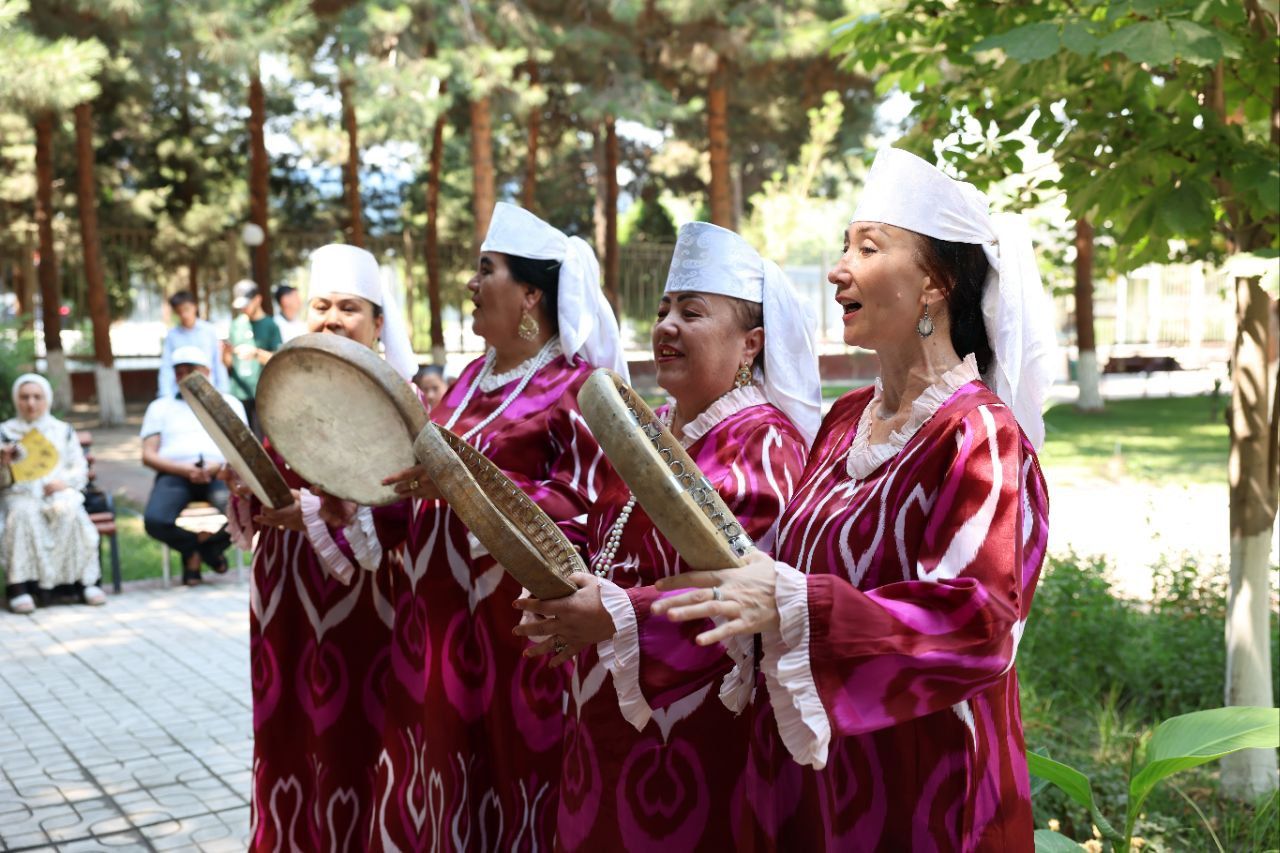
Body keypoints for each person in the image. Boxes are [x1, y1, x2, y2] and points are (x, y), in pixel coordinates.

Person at [653, 148, 1057, 849]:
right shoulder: (844, 423)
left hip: (926, 787)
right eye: (844, 245)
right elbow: (776, 565)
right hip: (810, 777)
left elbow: (978, 621)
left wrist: (798, 603)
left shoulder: (980, 434)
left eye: (868, 247)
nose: (839, 267)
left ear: (934, 283)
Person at [511, 222, 821, 849]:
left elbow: (741, 593)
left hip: (699, 731)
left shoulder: (763, 441)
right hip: (614, 714)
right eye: (662, 310)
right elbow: (612, 536)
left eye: (692, 312)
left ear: (750, 344)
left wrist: (617, 615)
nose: (666, 325)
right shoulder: (654, 425)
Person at [377, 201, 628, 850]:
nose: (470, 283)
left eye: (485, 269)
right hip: (435, 624)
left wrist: (469, 487)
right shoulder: (466, 380)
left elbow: (592, 506)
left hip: (515, 635)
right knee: (439, 775)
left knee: (519, 781)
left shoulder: (577, 387)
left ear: (530, 296)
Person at [227, 243, 420, 852]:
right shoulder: (289, 391)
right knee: (286, 731)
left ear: (379, 322)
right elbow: (271, 480)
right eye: (320, 306)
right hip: (284, 596)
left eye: (348, 307)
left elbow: (400, 509)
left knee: (353, 739)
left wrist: (307, 511)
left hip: (366, 602)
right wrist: (247, 488)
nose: (331, 318)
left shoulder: (406, 405)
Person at [1, 374, 106, 613]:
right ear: (16, 400)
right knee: (22, 514)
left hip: (58, 491)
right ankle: (21, 588)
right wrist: (3, 464)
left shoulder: (62, 430)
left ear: (46, 399)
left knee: (69, 511)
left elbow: (79, 466)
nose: (31, 403)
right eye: (25, 397)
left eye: (37, 397)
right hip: (19, 495)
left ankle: (84, 583)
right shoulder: (5, 432)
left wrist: (63, 482)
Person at [141, 346, 244, 585]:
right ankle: (198, 550)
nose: (185, 376)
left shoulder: (229, 404)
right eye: (179, 371)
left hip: (220, 474)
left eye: (191, 370)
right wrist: (186, 470)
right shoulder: (160, 407)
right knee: (155, 520)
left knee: (242, 513)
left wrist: (216, 467)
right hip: (175, 474)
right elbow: (148, 455)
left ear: (207, 371)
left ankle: (204, 551)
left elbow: (243, 451)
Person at [224, 279, 283, 434]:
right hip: (239, 392)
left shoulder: (271, 325)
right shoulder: (236, 325)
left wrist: (256, 353)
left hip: (262, 392)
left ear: (258, 299)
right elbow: (228, 364)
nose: (244, 308)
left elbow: (278, 361)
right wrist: (225, 353)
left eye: (247, 304)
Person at [159, 290, 227, 398]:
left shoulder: (209, 331)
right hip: (180, 393)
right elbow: (166, 366)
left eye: (186, 309)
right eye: (179, 311)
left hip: (208, 391)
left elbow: (217, 362)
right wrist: (165, 394)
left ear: (195, 307)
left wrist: (223, 390)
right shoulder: (172, 336)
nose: (184, 315)